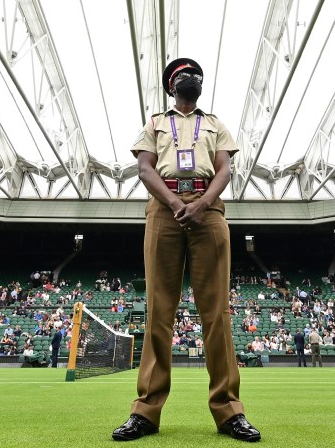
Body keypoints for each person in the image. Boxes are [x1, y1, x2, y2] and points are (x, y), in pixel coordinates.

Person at [113, 58, 260, 443]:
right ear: (170, 85)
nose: (190, 78)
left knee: (216, 313)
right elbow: (145, 169)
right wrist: (177, 205)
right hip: (164, 211)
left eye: (196, 74)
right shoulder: (155, 123)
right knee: (159, 311)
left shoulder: (214, 123)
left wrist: (200, 204)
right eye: (183, 75)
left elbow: (225, 169)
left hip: (207, 212)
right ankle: (145, 412)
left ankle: (229, 411)